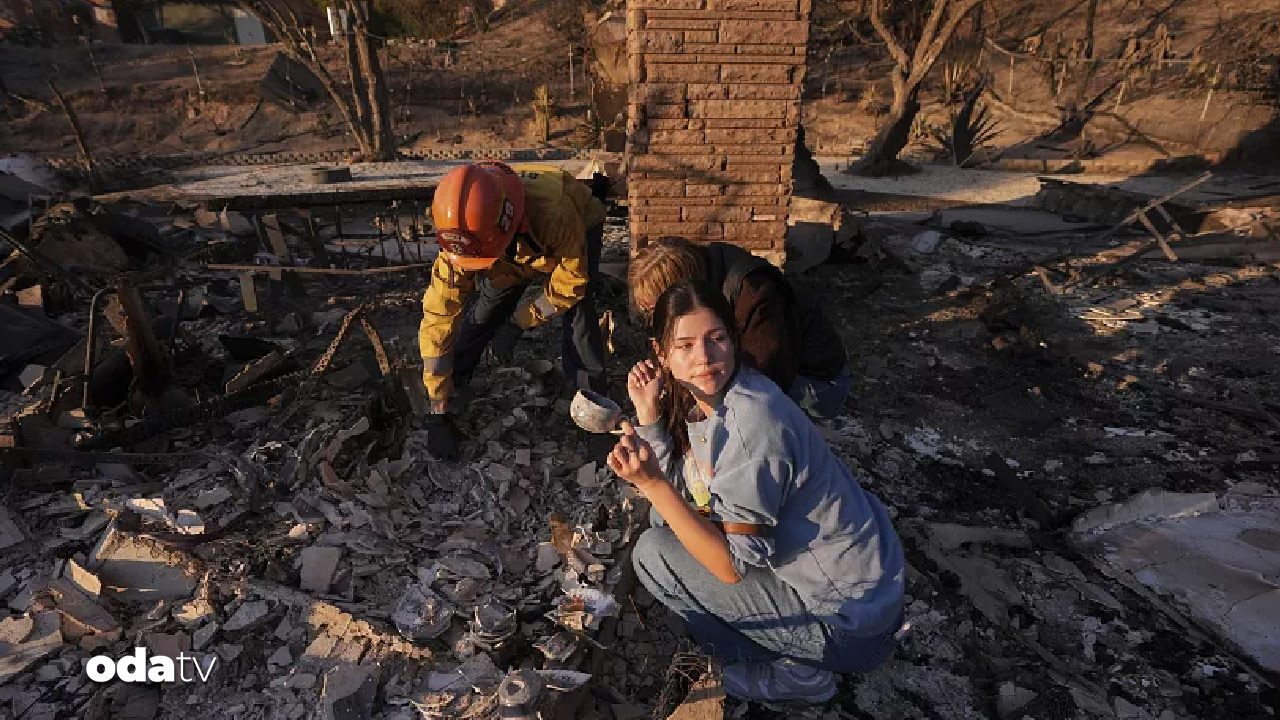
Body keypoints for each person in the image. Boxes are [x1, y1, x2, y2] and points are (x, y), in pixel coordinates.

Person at [606, 282, 904, 703]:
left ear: (734, 339)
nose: (704, 359)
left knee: (653, 554)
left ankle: (796, 673)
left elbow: (730, 568)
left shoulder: (751, 424)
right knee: (662, 520)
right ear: (661, 354)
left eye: (717, 339)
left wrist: (652, 484)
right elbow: (692, 494)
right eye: (686, 346)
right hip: (859, 590)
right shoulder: (716, 397)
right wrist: (648, 416)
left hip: (847, 623)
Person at [419, 161, 607, 459]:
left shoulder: (554, 212)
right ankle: (453, 390)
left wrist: (521, 321)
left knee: (579, 316)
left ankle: (596, 411)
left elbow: (570, 283)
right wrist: (436, 408)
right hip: (502, 245)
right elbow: (439, 317)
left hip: (576, 226)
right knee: (486, 310)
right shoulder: (460, 233)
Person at [628, 237, 850, 418]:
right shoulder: (707, 274)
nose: (654, 317)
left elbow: (767, 377)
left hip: (817, 382)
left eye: (654, 308)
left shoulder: (753, 292)